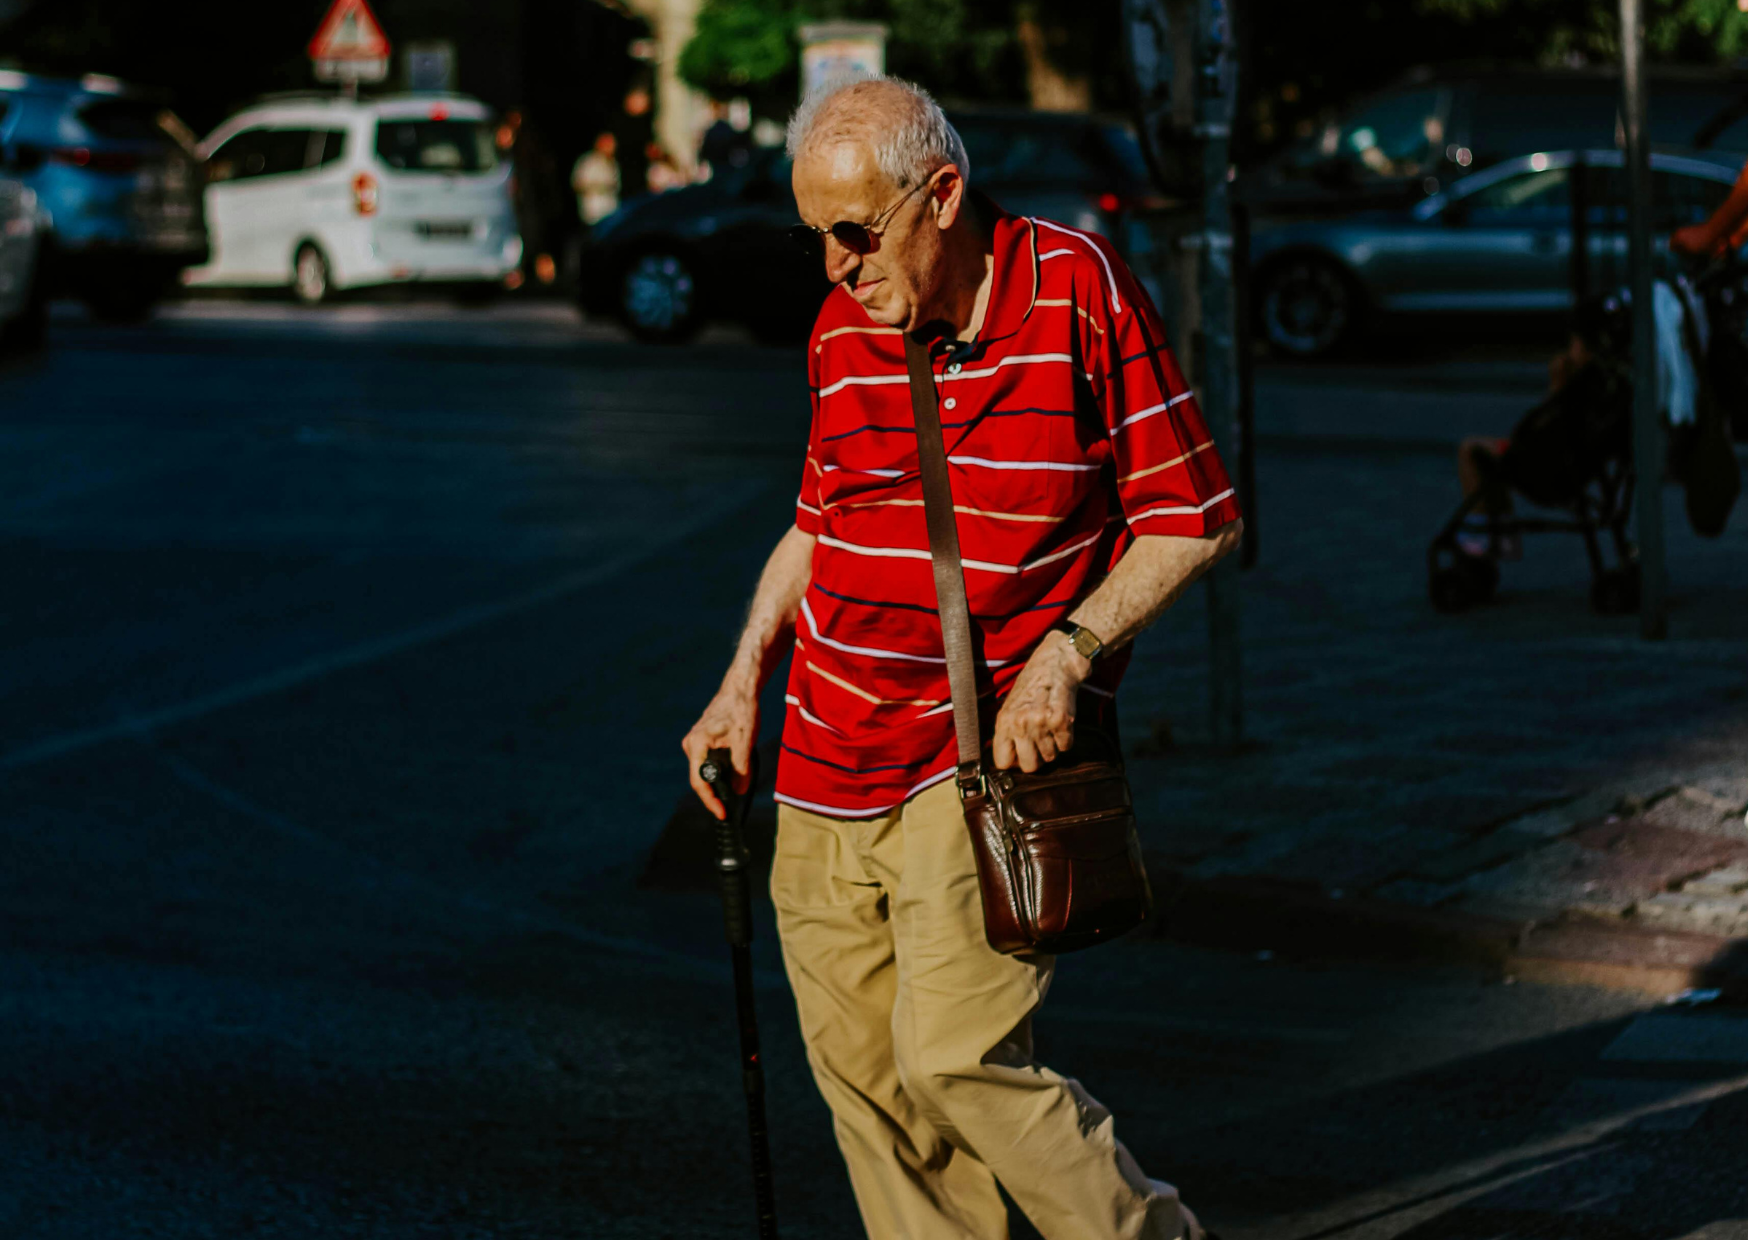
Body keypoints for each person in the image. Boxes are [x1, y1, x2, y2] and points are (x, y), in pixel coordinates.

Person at [680, 75, 1239, 1240]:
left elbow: (1194, 514)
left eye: (852, 231)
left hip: (966, 757)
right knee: (870, 1098)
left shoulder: (1075, 292)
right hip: (819, 758)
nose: (833, 265)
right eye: (811, 237)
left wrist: (1068, 653)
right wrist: (741, 681)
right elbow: (818, 522)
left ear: (942, 193)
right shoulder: (843, 330)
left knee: (952, 1063)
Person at [573, 132, 620, 226]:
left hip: (611, 214)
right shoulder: (587, 162)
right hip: (594, 214)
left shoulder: (613, 163)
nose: (612, 147)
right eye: (608, 144)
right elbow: (577, 185)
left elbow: (616, 186)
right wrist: (599, 187)